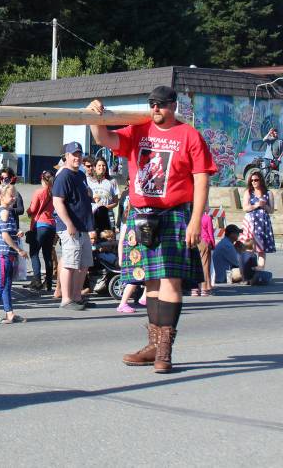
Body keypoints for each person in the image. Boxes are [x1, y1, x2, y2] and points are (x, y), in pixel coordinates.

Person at [89, 85, 216, 374]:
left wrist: (196, 220)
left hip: (173, 215)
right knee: (149, 281)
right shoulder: (139, 130)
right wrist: (95, 116)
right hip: (142, 214)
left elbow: (201, 181)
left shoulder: (189, 136)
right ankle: (152, 345)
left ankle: (165, 351)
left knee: (170, 280)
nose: (156, 109)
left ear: (172, 105)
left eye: (161, 104)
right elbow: (104, 137)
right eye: (152, 104)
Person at [51, 142, 95, 310]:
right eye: (73, 155)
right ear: (66, 157)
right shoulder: (64, 175)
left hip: (83, 225)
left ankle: (77, 297)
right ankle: (66, 299)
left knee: (83, 264)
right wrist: (69, 223)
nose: (77, 157)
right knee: (70, 263)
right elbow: (57, 201)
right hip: (70, 227)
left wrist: (89, 195)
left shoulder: (80, 175)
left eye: (79, 154)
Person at [0, 184, 28, 324]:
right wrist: (19, 249)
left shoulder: (6, 211)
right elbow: (5, 235)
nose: (13, 198)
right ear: (1, 196)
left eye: (14, 196)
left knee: (6, 283)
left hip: (7, 253)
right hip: (4, 252)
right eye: (11, 196)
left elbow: (7, 232)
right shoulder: (4, 212)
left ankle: (9, 313)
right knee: (1, 283)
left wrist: (17, 233)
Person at [26, 170, 59, 295]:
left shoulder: (39, 192)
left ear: (42, 179)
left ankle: (37, 280)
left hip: (39, 224)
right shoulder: (54, 192)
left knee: (34, 253)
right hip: (51, 225)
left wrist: (28, 211)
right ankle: (49, 282)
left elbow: (33, 209)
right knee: (47, 254)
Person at [242, 172, 277, 268]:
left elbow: (271, 210)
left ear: (260, 180)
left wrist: (264, 205)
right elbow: (245, 208)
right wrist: (256, 205)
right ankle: (248, 269)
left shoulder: (268, 193)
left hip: (263, 223)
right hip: (251, 222)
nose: (254, 182)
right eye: (252, 180)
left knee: (261, 249)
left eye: (256, 180)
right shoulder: (248, 192)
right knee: (249, 247)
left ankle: (260, 269)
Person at [88, 157, 119, 235]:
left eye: (104, 165)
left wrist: (105, 208)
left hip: (107, 216)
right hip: (92, 217)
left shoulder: (112, 181)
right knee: (93, 242)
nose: (101, 167)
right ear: (94, 167)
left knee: (107, 241)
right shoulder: (88, 180)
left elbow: (116, 202)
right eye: (99, 165)